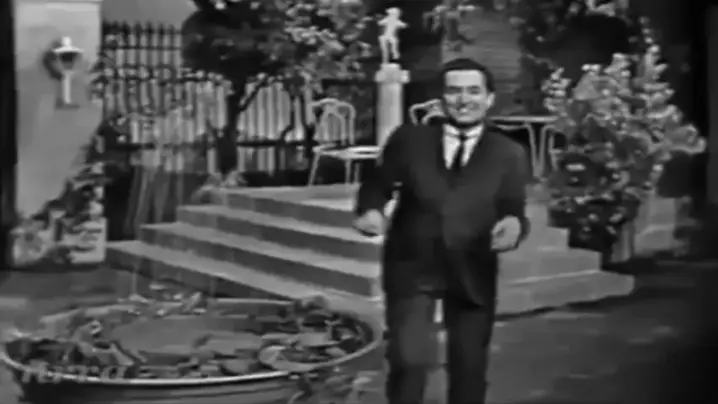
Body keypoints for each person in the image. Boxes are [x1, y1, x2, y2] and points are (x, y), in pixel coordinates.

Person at [353, 58, 531, 404]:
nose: (463, 100)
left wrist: (513, 225)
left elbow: (513, 207)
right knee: (409, 360)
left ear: (489, 98)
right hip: (412, 265)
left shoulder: (509, 152)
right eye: (454, 91)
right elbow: (376, 185)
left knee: (469, 365)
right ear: (441, 98)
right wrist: (370, 210)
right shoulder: (409, 139)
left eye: (473, 91)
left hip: (472, 269)